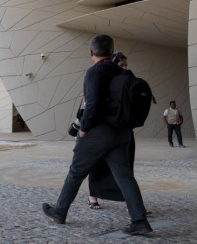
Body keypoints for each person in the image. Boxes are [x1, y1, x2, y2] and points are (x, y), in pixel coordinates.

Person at [42, 35, 151, 235]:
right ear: (112, 51)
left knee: (76, 171)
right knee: (125, 177)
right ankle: (139, 220)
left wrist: (83, 128)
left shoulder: (95, 72)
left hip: (99, 133)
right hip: (121, 133)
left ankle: (59, 211)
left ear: (91, 52)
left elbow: (92, 103)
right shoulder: (121, 70)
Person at [87, 51, 134, 211]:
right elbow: (90, 103)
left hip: (122, 129)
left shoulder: (126, 81)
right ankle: (92, 196)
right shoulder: (99, 78)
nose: (124, 68)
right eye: (121, 65)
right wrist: (84, 128)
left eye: (126, 65)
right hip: (102, 129)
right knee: (96, 165)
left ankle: (132, 203)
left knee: (125, 169)